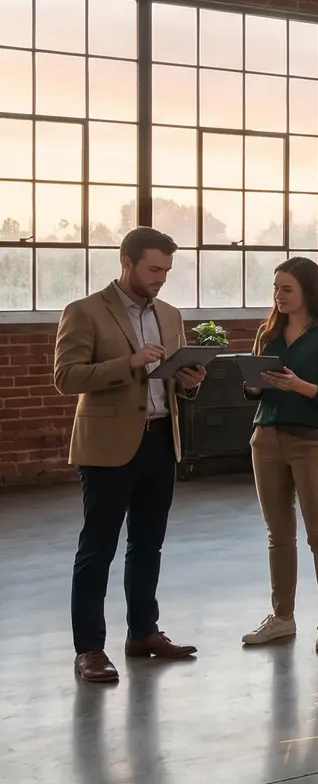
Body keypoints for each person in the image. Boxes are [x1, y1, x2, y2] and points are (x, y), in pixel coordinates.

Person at [52, 227, 207, 683]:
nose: (161, 278)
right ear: (126, 262)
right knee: (97, 547)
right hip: (107, 445)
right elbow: (66, 377)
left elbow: (173, 380)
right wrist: (130, 363)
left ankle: (143, 632)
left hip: (161, 441)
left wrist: (189, 382)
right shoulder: (84, 311)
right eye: (153, 269)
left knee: (148, 544)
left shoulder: (171, 314)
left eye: (167, 271)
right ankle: (89, 649)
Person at [239, 257, 318, 651]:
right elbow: (251, 389)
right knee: (278, 534)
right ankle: (282, 617)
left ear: (308, 291)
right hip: (266, 438)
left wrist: (300, 386)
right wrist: (255, 386)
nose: (278, 296)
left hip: (312, 442)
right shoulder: (268, 332)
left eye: (287, 289)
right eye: (275, 289)